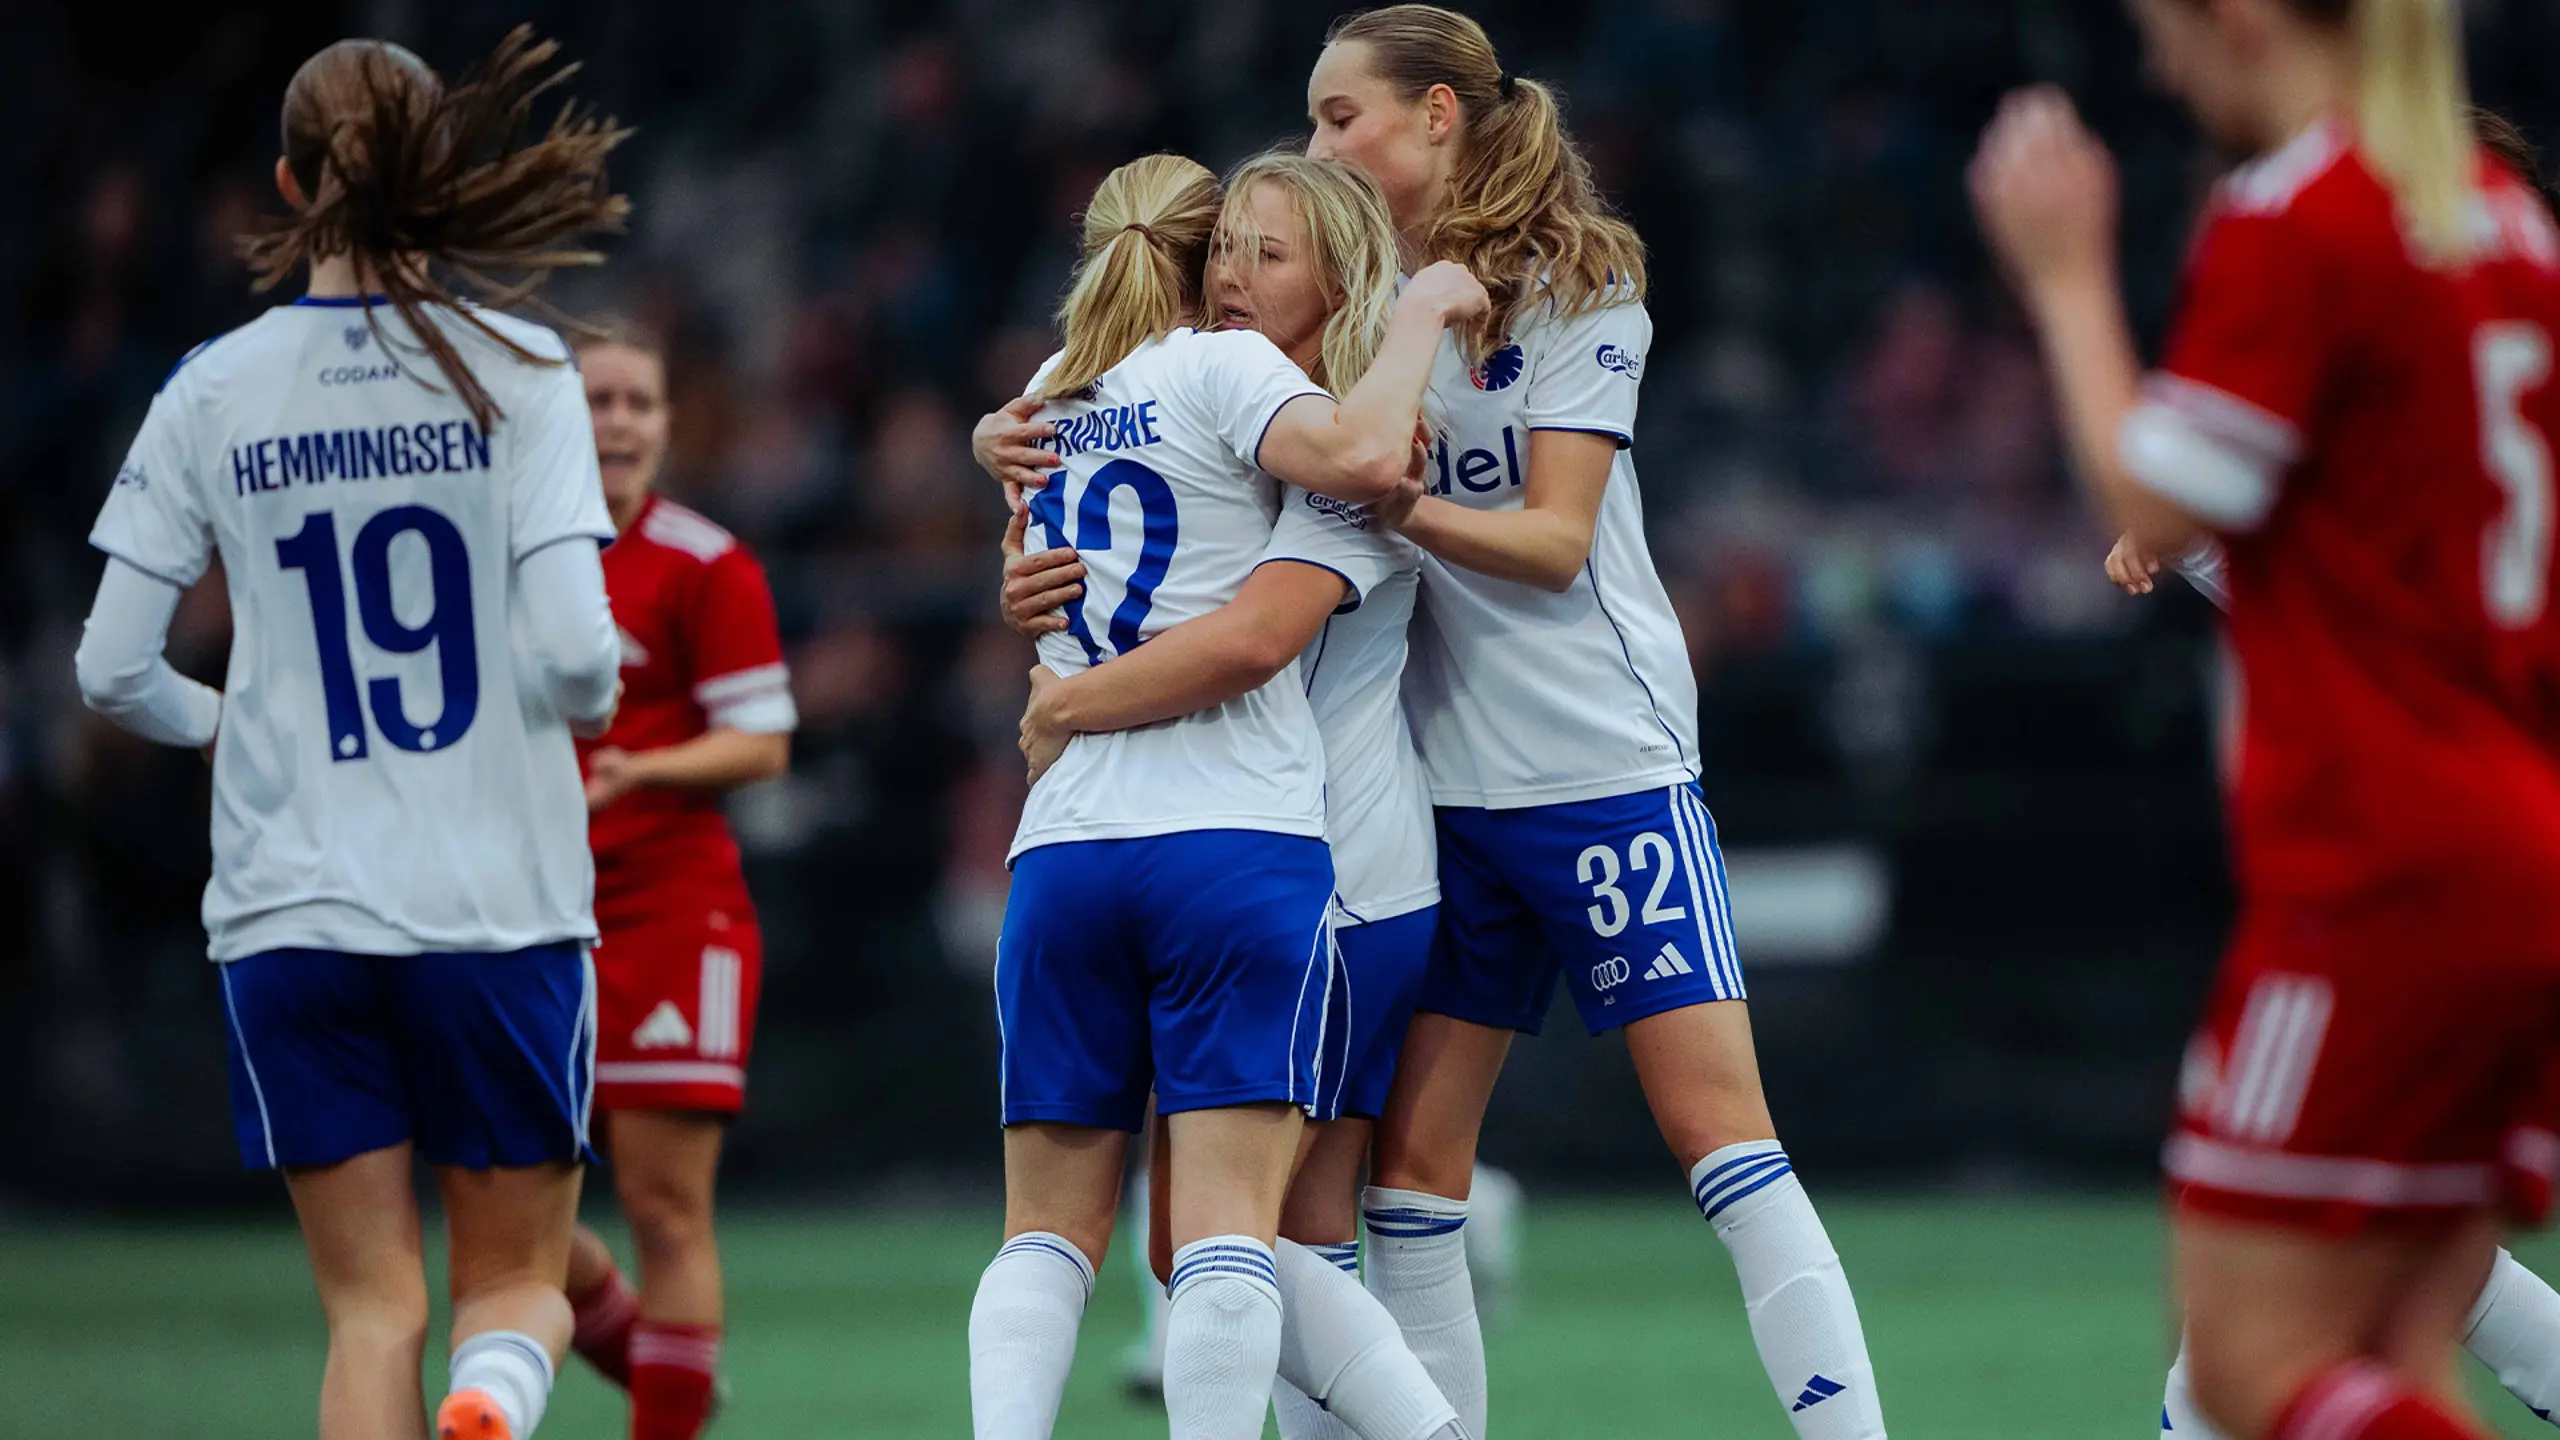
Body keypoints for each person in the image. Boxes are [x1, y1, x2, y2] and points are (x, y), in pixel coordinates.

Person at [1972, 0, 2560, 1433]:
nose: (2156, 60)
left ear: (2236, 18)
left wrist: (2065, 278)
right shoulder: (2506, 229)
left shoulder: (2297, 213)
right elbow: (2381, 548)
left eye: (2160, 26)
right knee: (2396, 1335)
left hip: (2382, 867)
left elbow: (2148, 488)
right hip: (2505, 838)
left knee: (2248, 1360)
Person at [1315, 10, 1891, 1436]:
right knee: (1410, 1181)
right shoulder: (1355, 298)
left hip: (1600, 770)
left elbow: (1555, 540)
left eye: (1340, 116)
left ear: (1436, 113)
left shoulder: (1579, 280)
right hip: (1438, 792)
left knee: (1721, 1144)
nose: (1317, 146)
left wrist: (1399, 505)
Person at [70, 30, 628, 1440]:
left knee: (372, 1311)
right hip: (495, 907)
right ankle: (490, 1402)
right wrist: (588, 707)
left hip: (292, 915)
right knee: (515, 1286)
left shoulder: (212, 388)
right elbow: (578, 656)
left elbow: (110, 668)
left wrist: (223, 723)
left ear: (286, 184)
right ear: (438, 172)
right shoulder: (521, 366)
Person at [963, 150, 1486, 1440]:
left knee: (1079, 1235)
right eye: (1230, 250)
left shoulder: (1064, 386)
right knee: (1225, 1242)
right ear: (1190, 261)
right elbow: (1277, 579)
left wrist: (1063, 691)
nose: (1241, 277)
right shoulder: (1250, 390)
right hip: (1246, 846)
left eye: (1270, 253)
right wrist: (1427, 305)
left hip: (1110, 847)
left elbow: (1227, 624)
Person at [553, 322, 794, 1440]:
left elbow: (763, 742)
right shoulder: (502, 557)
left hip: (668, 908)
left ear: (664, 423)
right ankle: (655, 1358)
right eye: (593, 400)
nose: (616, 422)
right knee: (499, 1199)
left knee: (664, 1208)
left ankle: (667, 1399)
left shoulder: (705, 563)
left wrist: (639, 770)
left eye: (636, 402)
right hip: (523, 917)